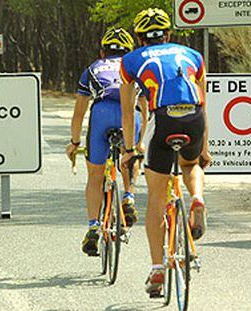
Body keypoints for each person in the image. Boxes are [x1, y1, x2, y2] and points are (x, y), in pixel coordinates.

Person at [119, 8, 212, 294]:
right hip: (194, 117)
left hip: (163, 118)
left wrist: (129, 150)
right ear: (169, 34)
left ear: (139, 37)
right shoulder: (193, 55)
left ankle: (158, 268)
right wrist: (205, 147)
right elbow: (204, 103)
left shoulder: (130, 60)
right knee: (191, 164)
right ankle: (196, 197)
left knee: (157, 200)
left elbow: (127, 113)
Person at [66, 27, 148, 256]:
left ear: (103, 52)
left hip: (101, 114)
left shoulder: (92, 68)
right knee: (130, 155)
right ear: (128, 51)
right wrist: (139, 142)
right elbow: (144, 108)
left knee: (94, 176)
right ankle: (129, 196)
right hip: (127, 113)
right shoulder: (135, 67)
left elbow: (78, 114)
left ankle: (93, 226)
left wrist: (74, 142)